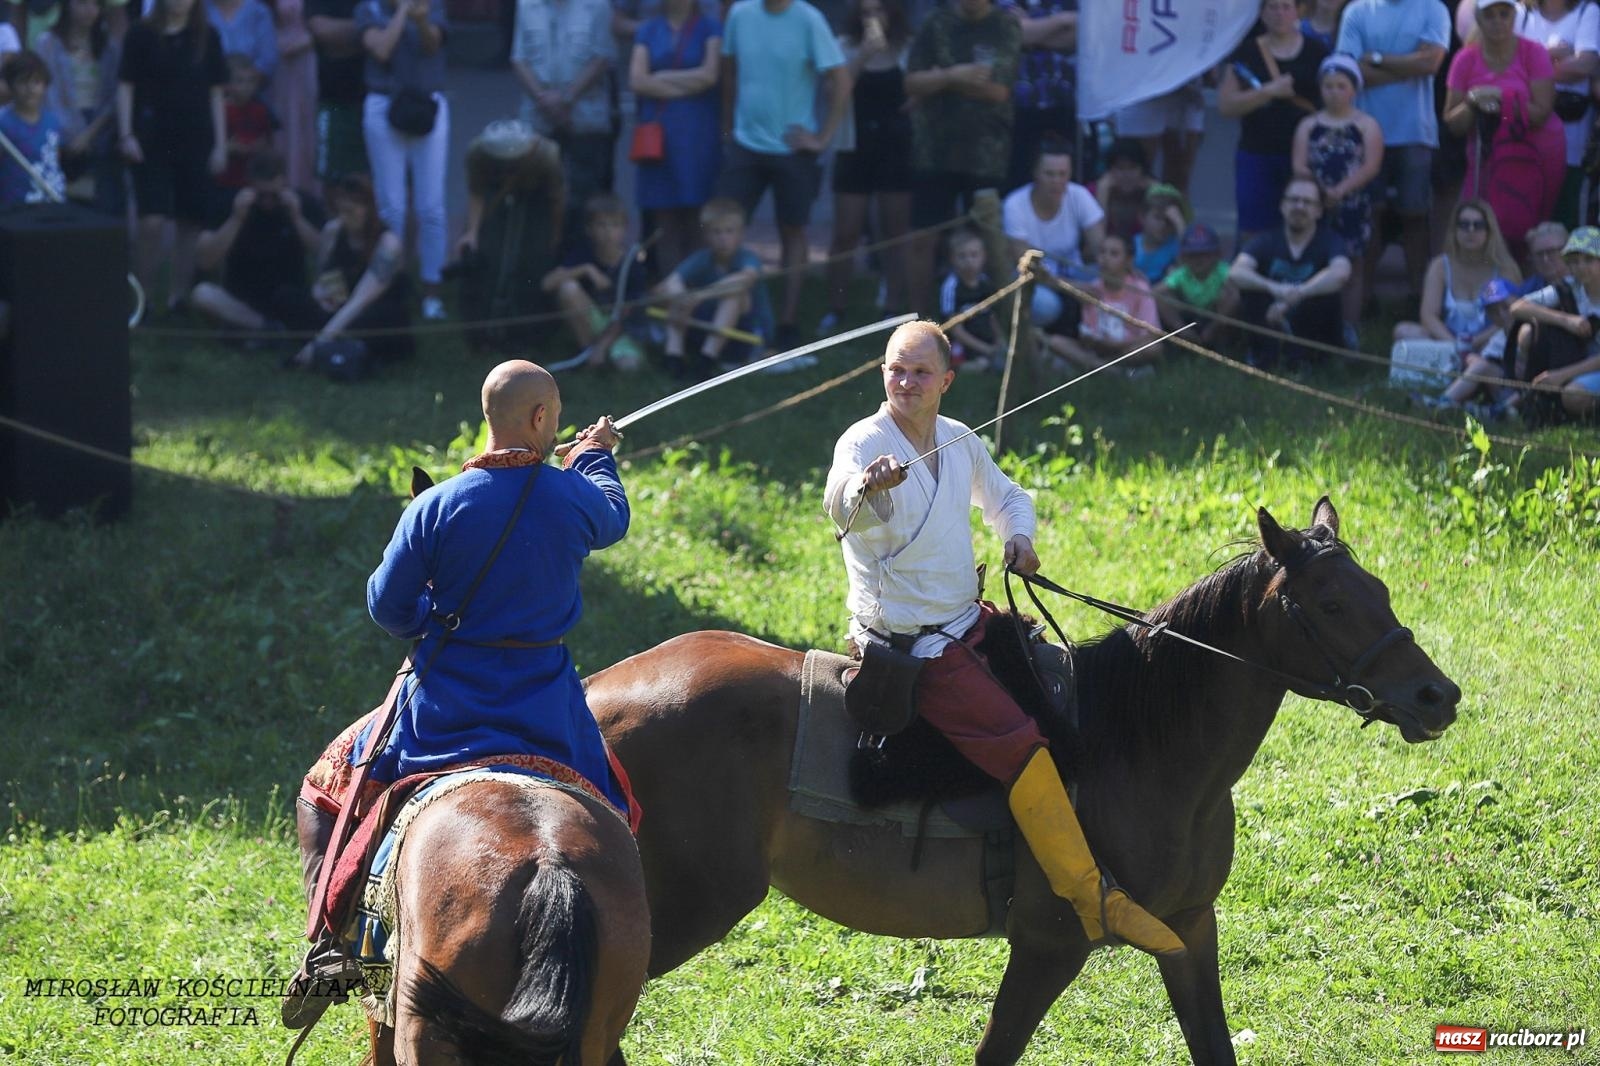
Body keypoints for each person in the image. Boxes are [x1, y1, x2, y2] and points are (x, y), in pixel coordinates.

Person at [822, 319, 1185, 961]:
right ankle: (1090, 896)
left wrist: (1019, 536)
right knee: (1020, 745)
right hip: (913, 646)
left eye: (920, 372)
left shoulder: (958, 440)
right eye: (895, 369)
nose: (905, 382)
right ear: (882, 373)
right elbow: (839, 501)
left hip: (969, 621)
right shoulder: (863, 442)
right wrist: (866, 487)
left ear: (947, 381)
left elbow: (1008, 496)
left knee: (1059, 694)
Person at [284, 358, 631, 1028]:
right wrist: (593, 456)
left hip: (443, 707)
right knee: (615, 804)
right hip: (547, 707)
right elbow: (612, 517)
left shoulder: (435, 505)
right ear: (540, 418)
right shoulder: (571, 495)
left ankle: (329, 944)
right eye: (555, 417)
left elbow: (388, 607)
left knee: (328, 785)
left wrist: (435, 623)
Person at [717, 0, 848, 351]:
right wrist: (727, 128)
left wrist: (822, 138)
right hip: (745, 144)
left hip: (792, 148)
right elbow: (728, 72)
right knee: (724, 229)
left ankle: (787, 323)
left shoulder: (809, 19)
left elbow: (840, 78)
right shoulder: (740, 14)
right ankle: (726, 320)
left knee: (793, 231)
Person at [903, 0, 1019, 316]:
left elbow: (998, 90)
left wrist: (938, 79)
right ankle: (917, 320)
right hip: (933, 152)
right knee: (922, 238)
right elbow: (911, 82)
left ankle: (992, 322)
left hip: (986, 153)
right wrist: (958, 75)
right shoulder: (935, 23)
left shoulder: (1005, 26)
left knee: (987, 241)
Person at [1336, 0, 1449, 311]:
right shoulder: (1357, 11)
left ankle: (1420, 300)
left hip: (1415, 133)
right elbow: (1348, 73)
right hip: (1365, 132)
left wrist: (1375, 58)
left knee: (1415, 215)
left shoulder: (1433, 8)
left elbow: (1430, 64)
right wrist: (1407, 66)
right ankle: (1364, 299)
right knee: (1369, 216)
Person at [118, 0, 229, 313]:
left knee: (190, 221)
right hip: (151, 142)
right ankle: (142, 298)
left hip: (196, 141)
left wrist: (220, 144)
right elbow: (125, 85)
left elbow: (216, 92)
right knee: (151, 221)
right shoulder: (140, 34)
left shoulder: (207, 36)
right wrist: (126, 134)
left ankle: (178, 297)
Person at [1442, 0, 1563, 262]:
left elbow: (1541, 113)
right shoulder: (1465, 59)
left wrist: (1501, 99)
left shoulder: (1534, 53)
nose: (1498, 21)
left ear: (1513, 17)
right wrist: (1473, 102)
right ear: (1478, 19)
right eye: (1490, 15)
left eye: (1504, 14)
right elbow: (1454, 124)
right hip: (1485, 158)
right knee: (1478, 230)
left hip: (1534, 158)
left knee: (1529, 236)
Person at [820, 0, 912, 334]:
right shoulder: (844, 45)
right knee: (845, 233)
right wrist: (862, 55)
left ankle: (892, 307)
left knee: (894, 232)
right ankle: (836, 308)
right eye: (866, 12)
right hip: (854, 147)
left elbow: (919, 89)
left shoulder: (908, 47)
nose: (872, 18)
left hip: (896, 149)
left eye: (879, 10)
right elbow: (832, 92)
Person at [356, 0, 448, 320]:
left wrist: (420, 20)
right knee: (391, 207)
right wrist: (401, 12)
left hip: (427, 104)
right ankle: (389, 288)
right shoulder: (369, 8)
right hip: (383, 104)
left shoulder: (432, 4)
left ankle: (432, 293)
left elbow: (432, 46)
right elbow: (381, 50)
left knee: (431, 207)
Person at [1217, 0, 1328, 249]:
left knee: (1304, 223)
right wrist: (1268, 91)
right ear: (1262, 13)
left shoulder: (1317, 52)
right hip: (1257, 152)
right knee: (1253, 228)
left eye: (1286, 7)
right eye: (1273, 7)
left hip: (1304, 156)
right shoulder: (1246, 52)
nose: (1280, 14)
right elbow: (1226, 105)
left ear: (1298, 11)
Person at [1292, 53, 1383, 342]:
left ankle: (1349, 328)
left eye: (1341, 86)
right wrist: (1320, 191)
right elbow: (1299, 164)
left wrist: (1341, 190)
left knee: (1352, 266)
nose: (1334, 92)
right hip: (1315, 206)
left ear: (1353, 89)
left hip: (1353, 205)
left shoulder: (1366, 125)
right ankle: (1312, 326)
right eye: (1328, 86)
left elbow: (1371, 165)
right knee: (1315, 263)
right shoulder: (1309, 125)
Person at [629, 0, 721, 278]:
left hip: (697, 135)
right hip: (659, 136)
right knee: (664, 219)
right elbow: (637, 80)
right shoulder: (648, 29)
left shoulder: (710, 28)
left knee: (696, 217)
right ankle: (671, 292)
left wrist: (662, 78)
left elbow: (709, 75)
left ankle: (695, 291)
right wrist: (686, 85)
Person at [284, 171, 414, 366]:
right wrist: (322, 294)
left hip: (371, 310)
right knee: (288, 297)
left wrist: (320, 341)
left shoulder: (388, 244)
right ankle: (338, 346)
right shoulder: (334, 231)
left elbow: (361, 300)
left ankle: (329, 348)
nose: (345, 218)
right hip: (340, 305)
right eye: (341, 211)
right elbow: (325, 276)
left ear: (368, 209)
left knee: (380, 320)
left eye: (351, 211)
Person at [455, 118, 564, 349]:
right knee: (490, 254)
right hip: (495, 197)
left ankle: (526, 330)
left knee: (531, 259)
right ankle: (486, 326)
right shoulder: (477, 154)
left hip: (537, 199)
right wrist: (472, 232)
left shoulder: (547, 156)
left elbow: (556, 199)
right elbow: (476, 191)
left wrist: (554, 234)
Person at [511, 0, 615, 239]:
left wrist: (567, 98)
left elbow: (601, 57)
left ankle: (581, 256)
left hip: (586, 119)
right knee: (536, 195)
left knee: (585, 198)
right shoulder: (527, 5)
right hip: (537, 118)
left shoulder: (597, 5)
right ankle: (542, 257)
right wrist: (543, 99)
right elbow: (518, 58)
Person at [1228, 175, 1352, 367]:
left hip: (1313, 324)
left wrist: (1299, 294)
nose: (1299, 206)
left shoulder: (1331, 241)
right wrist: (1273, 288)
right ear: (1282, 206)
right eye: (1293, 200)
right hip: (1272, 317)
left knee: (1326, 292)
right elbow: (1236, 272)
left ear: (1319, 211)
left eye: (1307, 202)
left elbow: (1341, 273)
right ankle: (1263, 355)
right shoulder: (1265, 240)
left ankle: (1314, 359)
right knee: (1251, 290)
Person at [190, 148, 320, 332]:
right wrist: (236, 219)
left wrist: (298, 219)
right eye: (261, 195)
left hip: (289, 298)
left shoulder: (303, 203)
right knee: (202, 294)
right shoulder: (229, 203)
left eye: (273, 195)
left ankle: (262, 333)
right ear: (249, 185)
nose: (267, 201)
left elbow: (324, 253)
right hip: (241, 302)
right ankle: (268, 329)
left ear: (284, 184)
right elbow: (204, 260)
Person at [654, 196, 772, 377]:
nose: (723, 238)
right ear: (706, 235)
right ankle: (674, 357)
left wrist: (699, 296)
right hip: (708, 328)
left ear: (741, 233)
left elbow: (745, 279)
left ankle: (706, 361)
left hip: (747, 336)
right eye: (716, 232)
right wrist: (682, 297)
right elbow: (670, 283)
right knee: (677, 294)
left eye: (729, 231)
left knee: (734, 295)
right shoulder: (702, 258)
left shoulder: (747, 258)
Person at [1392, 199, 1520, 355]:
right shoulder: (1440, 266)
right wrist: (1455, 345)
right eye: (1464, 225)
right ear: (1455, 230)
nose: (1471, 230)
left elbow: (1511, 316)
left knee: (1505, 337)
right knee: (1403, 331)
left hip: (1487, 342)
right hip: (1447, 341)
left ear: (1489, 231)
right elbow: (1428, 316)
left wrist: (1475, 342)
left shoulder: (1503, 268)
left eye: (1478, 225)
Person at [1001, 136, 1102, 331]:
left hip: (1073, 272)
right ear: (1035, 173)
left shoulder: (1079, 195)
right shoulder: (1015, 205)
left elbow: (1101, 248)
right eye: (1049, 174)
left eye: (1063, 174)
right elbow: (1027, 267)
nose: (1057, 181)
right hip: (1032, 280)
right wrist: (1074, 288)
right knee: (1046, 306)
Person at [541, 192, 650, 371]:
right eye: (601, 225)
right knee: (568, 288)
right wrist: (586, 269)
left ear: (624, 229)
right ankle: (587, 352)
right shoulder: (583, 254)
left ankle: (599, 355)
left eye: (615, 225)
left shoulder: (632, 264)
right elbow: (547, 284)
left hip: (621, 329)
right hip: (594, 320)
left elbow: (629, 313)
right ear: (589, 229)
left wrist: (603, 346)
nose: (608, 232)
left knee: (629, 367)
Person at [1514, 0, 1599, 226]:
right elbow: (1507, 66)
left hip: (1571, 145)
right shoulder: (1521, 14)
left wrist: (1530, 63)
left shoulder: (1587, 12)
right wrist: (1554, 54)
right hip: (1524, 141)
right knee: (1524, 220)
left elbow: (1585, 65)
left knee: (1565, 222)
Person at [35, 0, 123, 216]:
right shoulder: (47, 43)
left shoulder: (109, 46)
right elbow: (47, 95)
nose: (89, 10)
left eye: (95, 4)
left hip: (101, 128)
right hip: (61, 128)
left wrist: (90, 134)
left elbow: (114, 97)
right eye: (82, 3)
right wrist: (69, 134)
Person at [1503, 223, 1600, 418]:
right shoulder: (1569, 287)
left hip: (1587, 367)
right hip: (1581, 363)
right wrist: (1565, 320)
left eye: (1589, 260)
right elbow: (1518, 307)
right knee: (1529, 330)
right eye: (1574, 261)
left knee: (1573, 396)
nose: (1581, 267)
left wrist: (1562, 375)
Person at [1041, 233, 1161, 374]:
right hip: (1099, 350)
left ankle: (1102, 368)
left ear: (1128, 260)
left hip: (1126, 349)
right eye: (1102, 252)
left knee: (1152, 348)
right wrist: (1093, 341)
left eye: (1114, 254)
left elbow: (1149, 334)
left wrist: (1117, 346)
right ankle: (1111, 370)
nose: (1105, 258)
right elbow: (1089, 332)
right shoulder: (1093, 289)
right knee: (1056, 342)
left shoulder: (1140, 289)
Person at [997, 0, 1075, 193]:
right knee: (1017, 179)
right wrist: (1061, 21)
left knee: (1061, 178)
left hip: (1064, 102)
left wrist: (1031, 31)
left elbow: (1079, 35)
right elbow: (1011, 33)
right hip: (1016, 105)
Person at [1417, 276, 1518, 413]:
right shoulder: (1499, 335)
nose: (1501, 314)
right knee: (1475, 362)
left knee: (1480, 366)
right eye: (1493, 311)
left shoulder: (1527, 330)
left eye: (1506, 307)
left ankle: (1442, 403)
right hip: (1502, 386)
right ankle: (1452, 404)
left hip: (1521, 391)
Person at [307, 0, 370, 182]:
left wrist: (345, 38)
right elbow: (322, 31)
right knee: (333, 178)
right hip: (334, 99)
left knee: (382, 179)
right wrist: (371, 29)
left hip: (380, 100)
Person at [1110, 79, 1205, 195]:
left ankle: (1170, 205)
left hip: (1187, 83)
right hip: (1144, 87)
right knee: (1134, 171)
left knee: (1180, 175)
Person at [1155, 221, 1238, 347]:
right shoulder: (1183, 273)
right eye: (1192, 255)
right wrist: (1181, 328)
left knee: (1229, 296)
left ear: (1216, 254)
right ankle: (1183, 337)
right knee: (1164, 296)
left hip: (1215, 320)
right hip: (1190, 318)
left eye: (1204, 254)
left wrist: (1213, 327)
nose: (1199, 260)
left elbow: (1235, 296)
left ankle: (1222, 345)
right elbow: (1157, 292)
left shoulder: (1222, 270)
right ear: (1184, 257)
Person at [0, 50, 64, 204]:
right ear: (11, 85)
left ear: (45, 85)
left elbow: (55, 160)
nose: (30, 88)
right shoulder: (3, 123)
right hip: (17, 206)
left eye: (36, 82)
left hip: (52, 200)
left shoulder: (53, 121)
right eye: (23, 82)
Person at [270, 0, 320, 192]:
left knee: (307, 120)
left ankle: (309, 189)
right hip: (281, 59)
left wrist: (305, 42)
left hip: (307, 57)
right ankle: (283, 185)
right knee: (285, 120)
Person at [216, 51, 275, 202]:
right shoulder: (221, 111)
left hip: (252, 182)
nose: (246, 87)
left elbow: (267, 141)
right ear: (227, 84)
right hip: (225, 181)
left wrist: (259, 147)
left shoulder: (260, 110)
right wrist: (229, 147)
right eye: (240, 81)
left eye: (251, 81)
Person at [938, 226, 999, 369]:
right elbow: (954, 328)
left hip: (985, 338)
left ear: (983, 256)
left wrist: (998, 342)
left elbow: (992, 317)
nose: (969, 261)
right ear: (952, 259)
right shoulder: (951, 286)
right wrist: (986, 349)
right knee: (982, 364)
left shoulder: (985, 283)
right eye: (962, 256)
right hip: (961, 342)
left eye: (974, 255)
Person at [1093, 137, 1151, 243]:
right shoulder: (1091, 192)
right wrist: (1102, 193)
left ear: (1142, 170)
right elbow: (1097, 244)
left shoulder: (1152, 189)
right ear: (1109, 170)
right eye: (1120, 168)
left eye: (1132, 168)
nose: (1126, 175)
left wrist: (1155, 193)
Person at [1129, 182, 1187, 284]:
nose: (1163, 225)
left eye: (1168, 221)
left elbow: (1188, 271)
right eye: (1158, 218)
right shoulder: (1130, 243)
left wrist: (1179, 224)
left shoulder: (1176, 246)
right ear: (1142, 217)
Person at [208, 0, 277, 84]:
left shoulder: (258, 11)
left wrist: (245, 81)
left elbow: (268, 59)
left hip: (254, 88)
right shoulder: (202, 11)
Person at [1520, 218, 1570, 293]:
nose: (1545, 259)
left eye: (1551, 252)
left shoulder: (1584, 281)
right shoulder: (1527, 290)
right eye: (1539, 254)